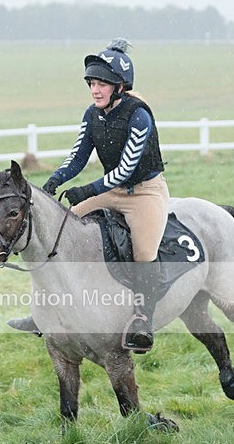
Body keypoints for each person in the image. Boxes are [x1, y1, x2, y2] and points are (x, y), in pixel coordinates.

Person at [11, 39, 169, 352]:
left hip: (145, 194)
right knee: (60, 232)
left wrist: (89, 189)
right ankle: (43, 313)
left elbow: (126, 169)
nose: (95, 90)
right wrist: (54, 181)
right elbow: (78, 156)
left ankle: (142, 320)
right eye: (92, 83)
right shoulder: (92, 114)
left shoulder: (139, 116)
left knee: (143, 254)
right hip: (112, 191)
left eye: (102, 84)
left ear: (120, 87)